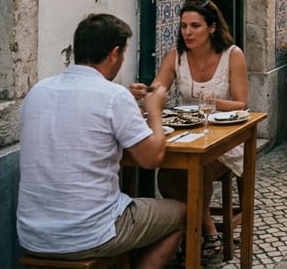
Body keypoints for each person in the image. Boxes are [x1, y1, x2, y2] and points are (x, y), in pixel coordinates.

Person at [18, 14, 184, 268]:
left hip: (33, 234)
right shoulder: (113, 97)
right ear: (114, 53)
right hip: (89, 234)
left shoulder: (38, 91)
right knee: (181, 214)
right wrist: (155, 111)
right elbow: (151, 158)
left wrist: (125, 100)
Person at [148, 0, 248, 257]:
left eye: (195, 26)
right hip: (187, 133)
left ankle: (197, 234)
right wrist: (145, 92)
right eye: (183, 26)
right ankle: (201, 229)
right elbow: (158, 88)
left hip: (225, 136)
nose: (188, 32)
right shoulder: (176, 57)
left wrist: (215, 102)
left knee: (198, 172)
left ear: (212, 28)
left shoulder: (232, 55)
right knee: (167, 175)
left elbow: (241, 103)